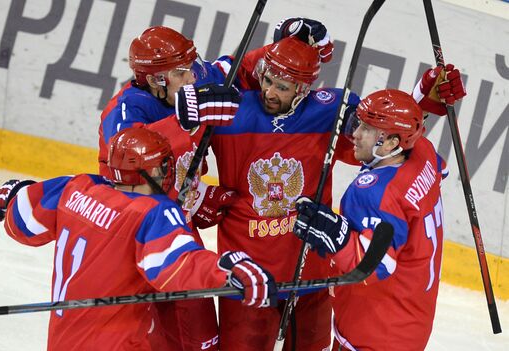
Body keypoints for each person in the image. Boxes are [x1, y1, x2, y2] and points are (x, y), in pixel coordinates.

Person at [175, 18, 466, 348]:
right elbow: (175, 159)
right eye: (267, 80)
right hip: (248, 275)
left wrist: (425, 97)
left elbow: (387, 134)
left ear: (303, 89)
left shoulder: (329, 110)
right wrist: (196, 193)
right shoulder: (229, 111)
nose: (270, 92)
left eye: (282, 88)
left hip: (310, 270)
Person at [97, 22, 332, 350]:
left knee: (201, 333)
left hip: (176, 221)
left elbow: (238, 69)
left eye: (192, 66)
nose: (194, 77)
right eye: (183, 72)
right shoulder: (126, 111)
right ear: (155, 80)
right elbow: (126, 157)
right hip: (135, 231)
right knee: (149, 333)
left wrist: (290, 45)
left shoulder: (190, 79)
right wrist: (184, 119)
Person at [0, 126, 277, 351]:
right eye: (165, 166)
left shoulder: (77, 188)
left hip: (62, 340)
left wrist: (14, 196)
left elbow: (22, 219)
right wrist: (227, 271)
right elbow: (178, 264)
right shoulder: (151, 212)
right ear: (152, 171)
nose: (167, 173)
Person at [292, 89, 458, 350]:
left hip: (376, 332)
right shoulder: (422, 151)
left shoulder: (373, 194)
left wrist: (336, 236)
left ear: (392, 143)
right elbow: (442, 169)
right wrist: (422, 96)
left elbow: (377, 265)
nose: (355, 134)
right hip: (410, 318)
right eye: (360, 124)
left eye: (367, 129)